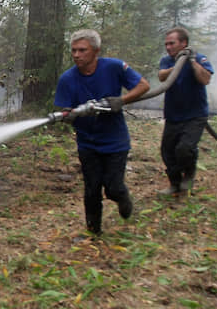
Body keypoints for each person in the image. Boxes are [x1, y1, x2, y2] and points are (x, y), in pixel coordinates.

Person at [54, 29, 150, 236]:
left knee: (113, 187)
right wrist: (68, 115)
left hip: (115, 141)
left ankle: (123, 198)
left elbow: (144, 86)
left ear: (96, 51)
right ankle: (93, 231)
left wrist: (121, 101)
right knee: (91, 189)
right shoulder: (67, 79)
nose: (77, 55)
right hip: (87, 143)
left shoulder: (114, 67)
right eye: (73, 51)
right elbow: (64, 109)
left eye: (82, 50)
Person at [157, 27, 213, 195]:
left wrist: (191, 61)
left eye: (172, 43)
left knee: (184, 148)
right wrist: (178, 65)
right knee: (167, 152)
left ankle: (188, 175)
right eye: (166, 44)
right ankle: (175, 184)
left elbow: (205, 79)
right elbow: (161, 76)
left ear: (184, 43)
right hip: (173, 115)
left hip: (195, 115)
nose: (168, 47)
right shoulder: (167, 61)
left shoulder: (200, 59)